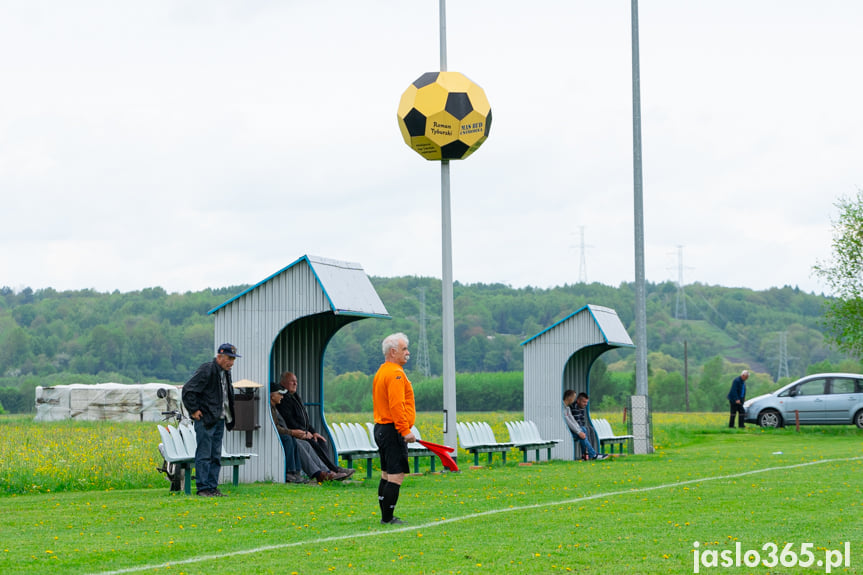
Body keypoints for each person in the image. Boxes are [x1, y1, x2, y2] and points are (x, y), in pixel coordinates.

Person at [181, 343, 239, 497]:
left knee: (215, 455)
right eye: (229, 358)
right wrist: (194, 410)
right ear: (219, 356)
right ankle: (203, 488)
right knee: (205, 454)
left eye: (233, 359)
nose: (231, 362)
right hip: (206, 420)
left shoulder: (225, 372)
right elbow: (188, 390)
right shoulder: (207, 369)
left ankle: (212, 487)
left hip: (220, 418)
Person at [276, 371, 355, 479]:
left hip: (301, 432)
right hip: (294, 433)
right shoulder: (284, 400)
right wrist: (304, 433)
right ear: (283, 383)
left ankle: (330, 470)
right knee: (311, 443)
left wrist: (313, 432)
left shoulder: (294, 396)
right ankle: (329, 471)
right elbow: (289, 421)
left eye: (296, 381)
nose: (295, 384)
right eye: (292, 381)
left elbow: (304, 420)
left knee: (320, 441)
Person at [372, 332, 416, 525]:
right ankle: (387, 518)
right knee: (396, 476)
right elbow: (397, 405)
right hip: (392, 430)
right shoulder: (396, 373)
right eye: (404, 349)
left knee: (386, 474)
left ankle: (385, 516)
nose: (408, 352)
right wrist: (405, 430)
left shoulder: (382, 371)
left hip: (381, 428)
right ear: (393, 352)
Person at [269, 383, 311, 484]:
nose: (282, 397)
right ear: (272, 395)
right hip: (274, 436)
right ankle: (289, 472)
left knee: (291, 439)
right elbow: (275, 428)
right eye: (280, 394)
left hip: (282, 434)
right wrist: (291, 432)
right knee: (288, 439)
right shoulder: (270, 408)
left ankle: (295, 471)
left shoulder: (274, 408)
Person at [563, 390, 608, 461]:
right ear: (570, 398)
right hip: (565, 432)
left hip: (571, 430)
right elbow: (568, 422)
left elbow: (573, 421)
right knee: (582, 433)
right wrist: (579, 432)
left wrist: (579, 431)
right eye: (574, 397)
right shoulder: (562, 408)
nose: (574, 400)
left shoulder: (567, 408)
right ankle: (592, 455)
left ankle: (587, 455)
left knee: (583, 431)